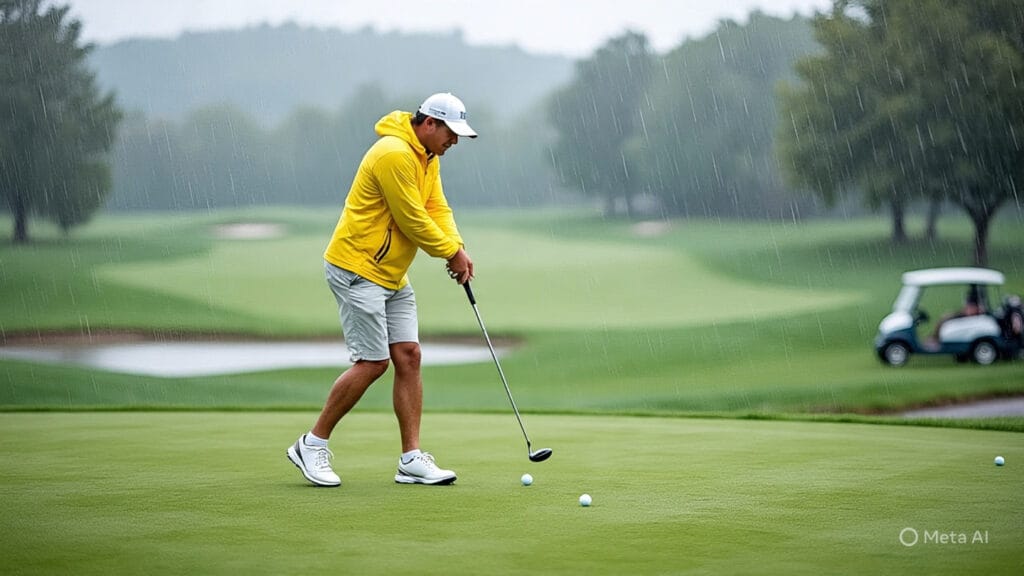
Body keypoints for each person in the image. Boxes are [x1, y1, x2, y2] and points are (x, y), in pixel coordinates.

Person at [287, 93, 477, 487]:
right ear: (429, 124)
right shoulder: (393, 153)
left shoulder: (427, 158)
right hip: (357, 268)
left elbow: (437, 209)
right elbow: (411, 219)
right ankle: (311, 443)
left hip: (390, 273)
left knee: (409, 355)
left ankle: (411, 459)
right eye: (450, 133)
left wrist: (456, 248)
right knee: (374, 362)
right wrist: (449, 253)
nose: (454, 142)